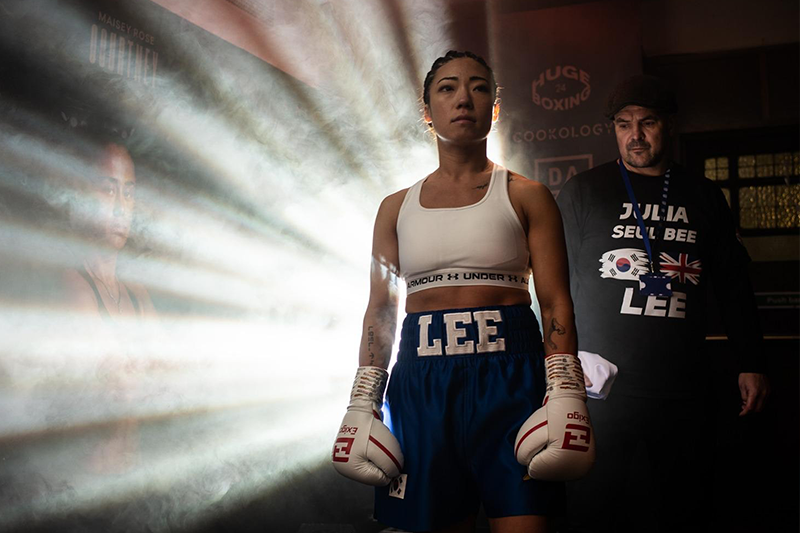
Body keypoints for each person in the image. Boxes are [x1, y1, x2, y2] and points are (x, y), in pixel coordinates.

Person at [331, 50, 594, 533]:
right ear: (427, 111)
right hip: (422, 385)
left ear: (494, 107)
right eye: (447, 87)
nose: (463, 98)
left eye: (477, 87)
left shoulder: (526, 194)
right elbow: (381, 313)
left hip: (512, 379)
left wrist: (565, 389)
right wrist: (362, 400)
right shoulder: (394, 208)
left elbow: (557, 301)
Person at [556, 74, 770, 533]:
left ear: (669, 125)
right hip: (601, 387)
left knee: (684, 507)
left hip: (683, 385)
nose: (635, 135)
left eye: (647, 122)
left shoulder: (703, 194)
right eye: (623, 123)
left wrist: (751, 360)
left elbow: (734, 285)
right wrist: (555, 364)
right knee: (593, 507)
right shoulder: (583, 191)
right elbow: (556, 285)